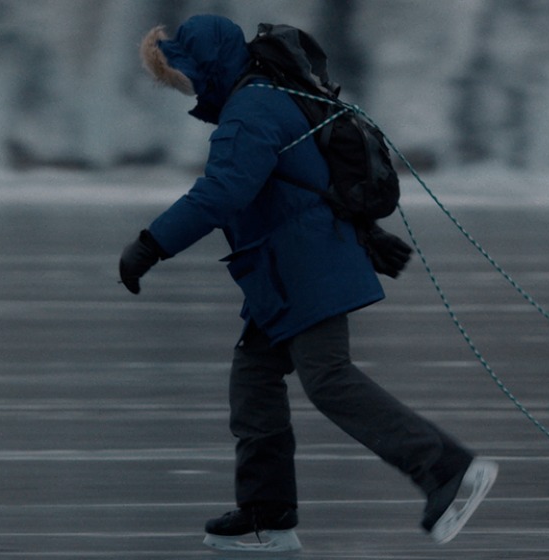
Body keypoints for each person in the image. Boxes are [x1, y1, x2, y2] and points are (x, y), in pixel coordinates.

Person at [119, 14, 497, 553]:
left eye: (188, 74)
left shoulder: (249, 111)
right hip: (286, 268)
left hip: (303, 267)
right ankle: (266, 516)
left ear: (210, 66)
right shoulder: (265, 96)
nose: (189, 86)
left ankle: (446, 469)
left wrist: (149, 246)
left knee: (329, 379)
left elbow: (221, 193)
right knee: (253, 381)